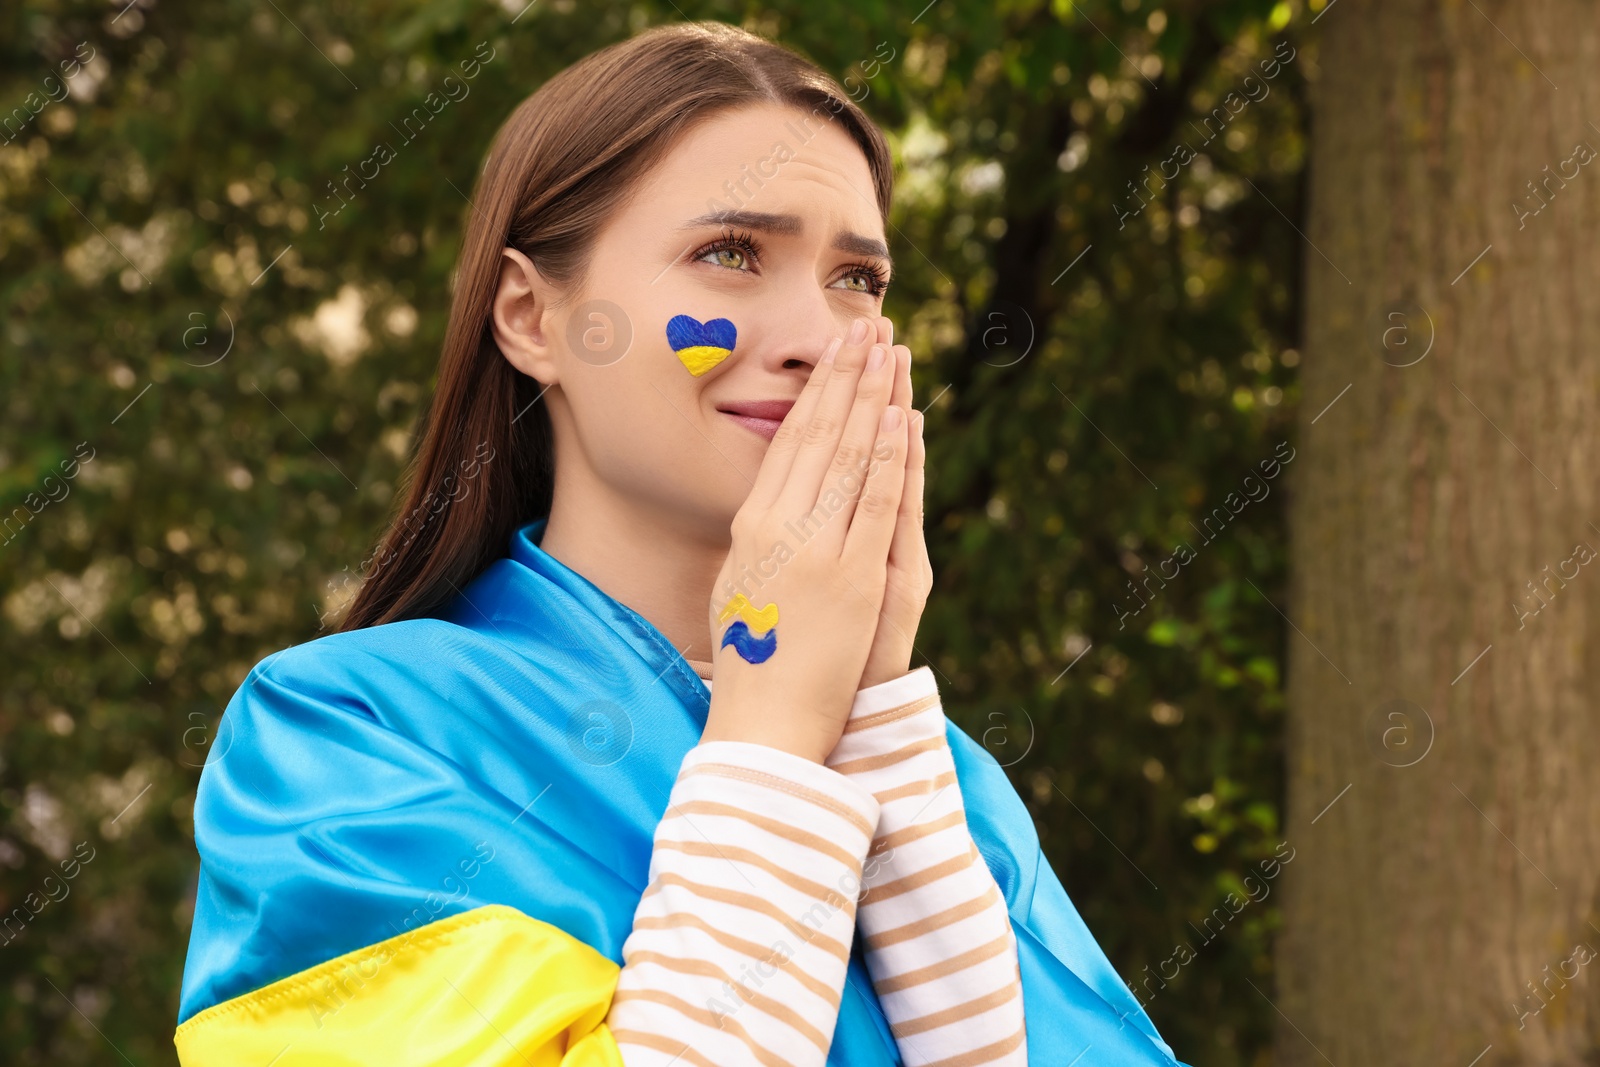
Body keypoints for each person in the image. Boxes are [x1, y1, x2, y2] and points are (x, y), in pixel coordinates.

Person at [174, 20, 1186, 1067]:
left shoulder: (955, 783)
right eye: (730, 253)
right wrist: (774, 713)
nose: (818, 335)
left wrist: (876, 714)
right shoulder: (344, 734)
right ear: (530, 316)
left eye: (857, 280)